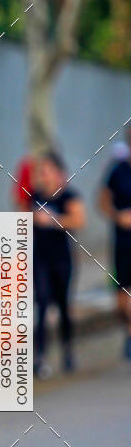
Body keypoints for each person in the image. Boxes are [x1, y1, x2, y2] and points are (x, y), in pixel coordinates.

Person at [31, 150, 86, 377]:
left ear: (58, 172)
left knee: (63, 305)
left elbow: (79, 220)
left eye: (47, 171)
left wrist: (53, 220)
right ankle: (40, 357)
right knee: (42, 303)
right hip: (40, 259)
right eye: (41, 172)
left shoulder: (68, 196)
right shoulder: (35, 195)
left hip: (62, 259)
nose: (43, 176)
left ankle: (68, 351)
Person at [98, 137, 131, 360]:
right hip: (122, 241)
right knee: (121, 296)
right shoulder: (118, 171)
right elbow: (102, 201)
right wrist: (118, 216)